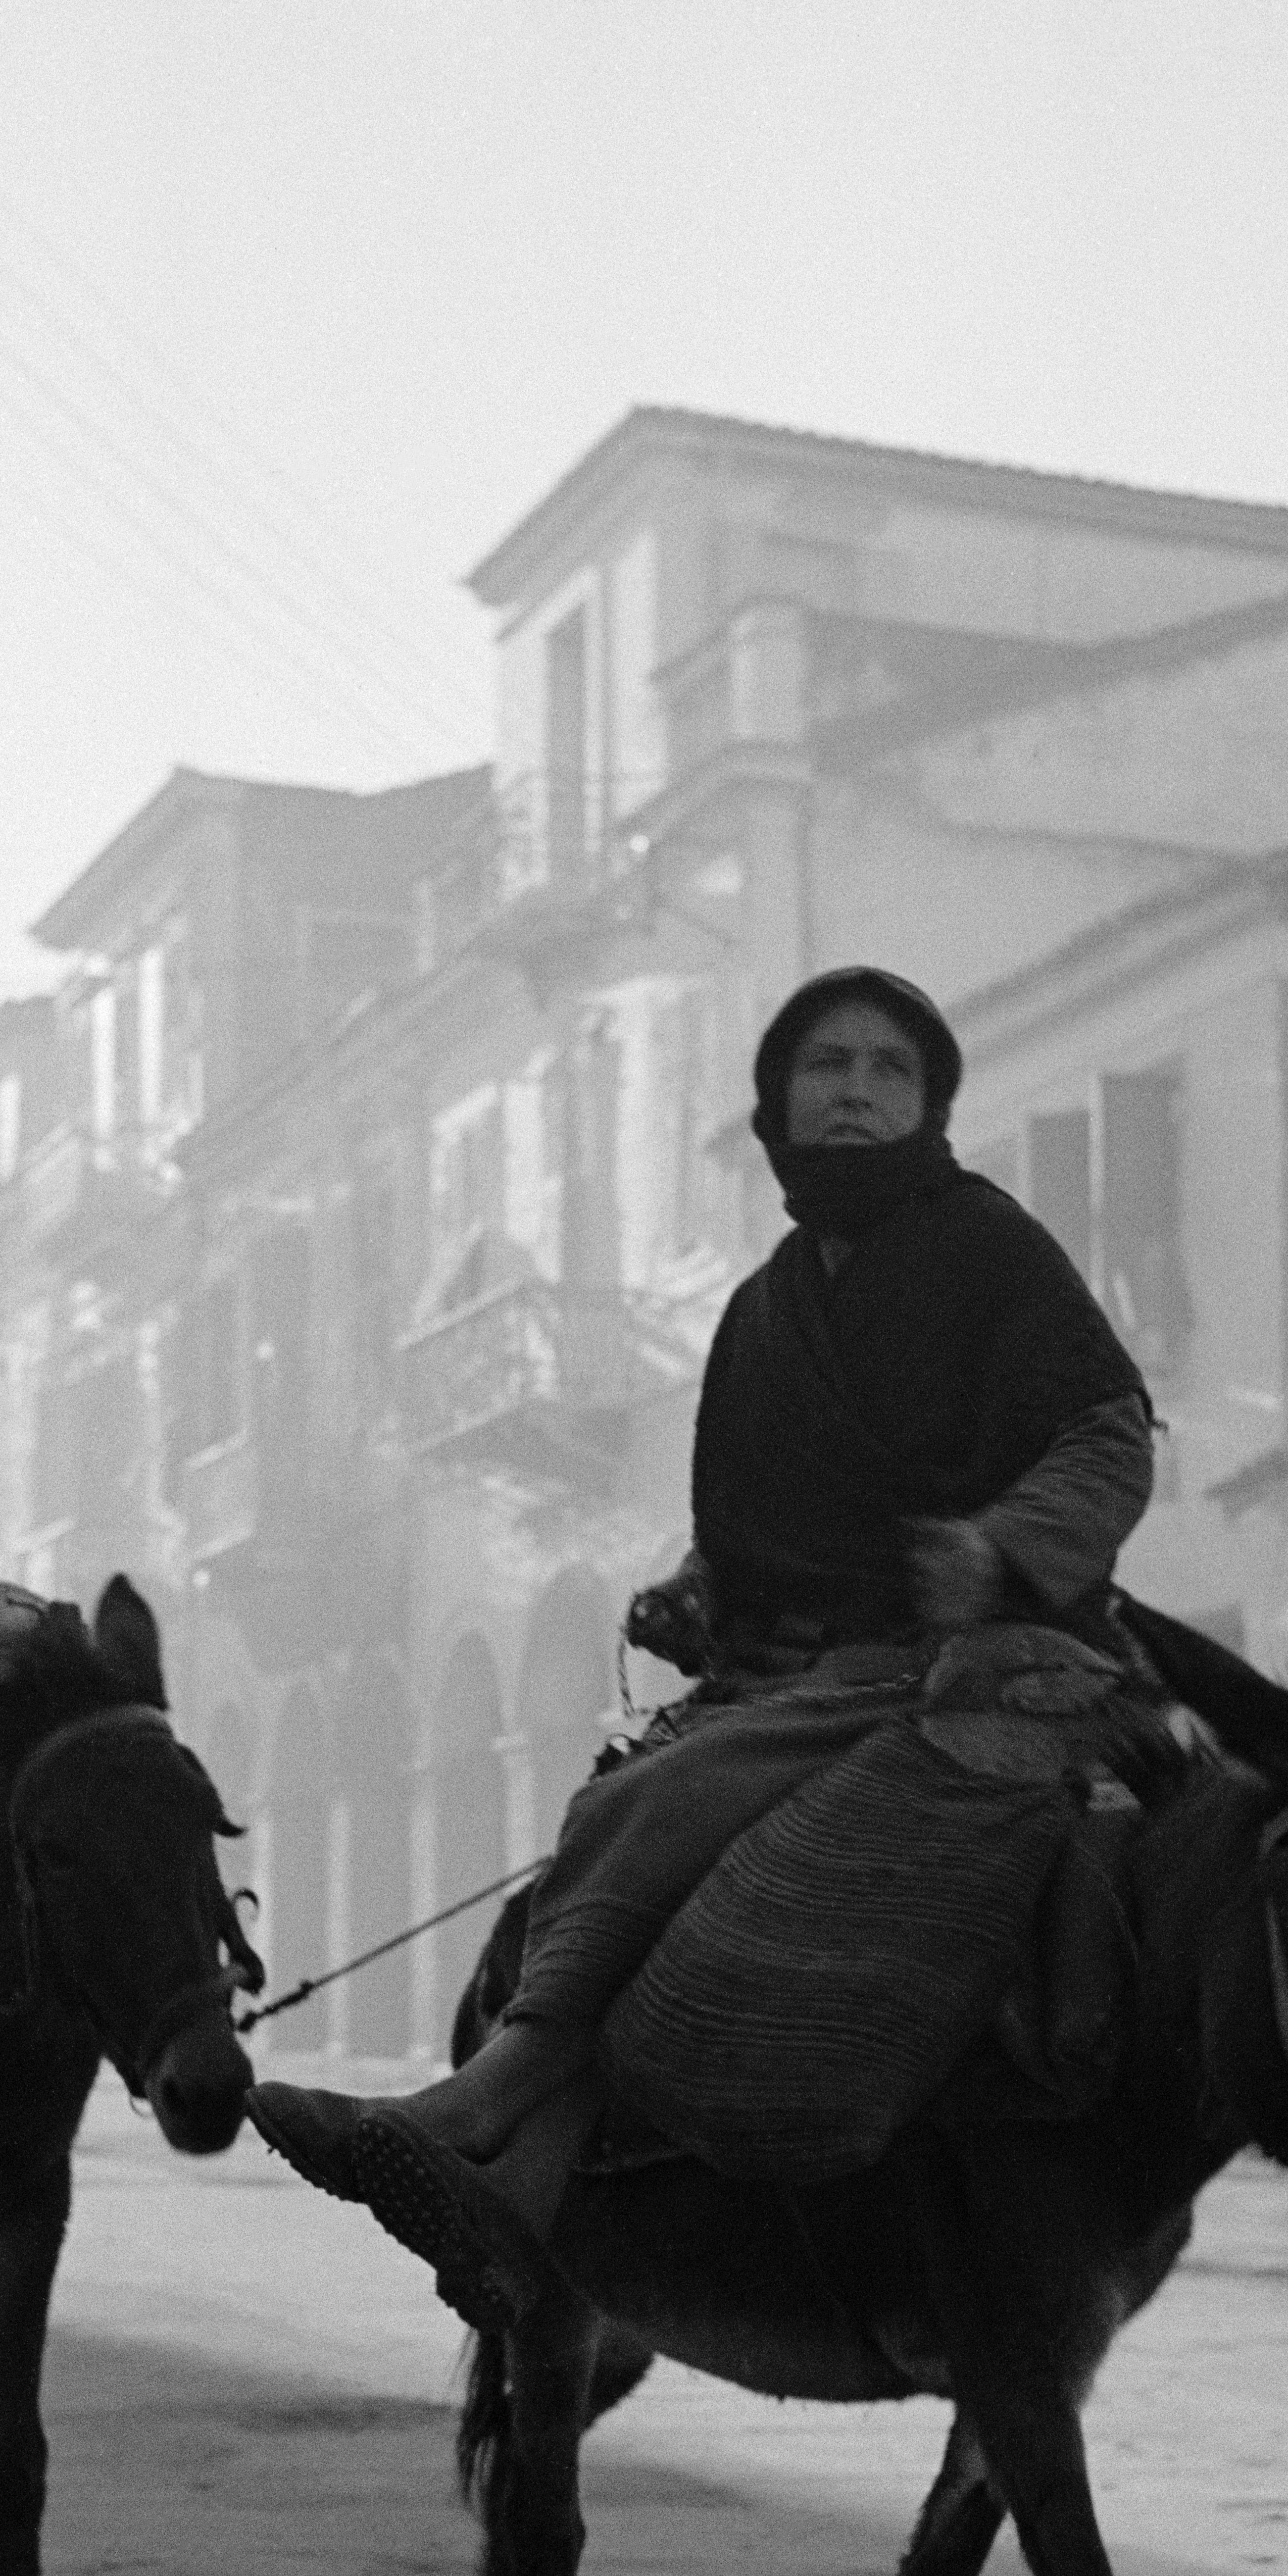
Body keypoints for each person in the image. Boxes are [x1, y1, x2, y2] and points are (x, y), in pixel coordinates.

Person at [251, 965, 1152, 2324]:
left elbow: (1107, 1434)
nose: (856, 1089)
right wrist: (692, 1586)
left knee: (658, 1799)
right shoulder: (763, 1309)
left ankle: (486, 2099)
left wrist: (1003, 1549)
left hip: (962, 1661)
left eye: (890, 1070)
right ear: (778, 1102)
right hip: (787, 1676)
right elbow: (756, 1520)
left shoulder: (990, 1249)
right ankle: (528, 2182)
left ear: (931, 1105)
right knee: (610, 1805)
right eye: (826, 1066)